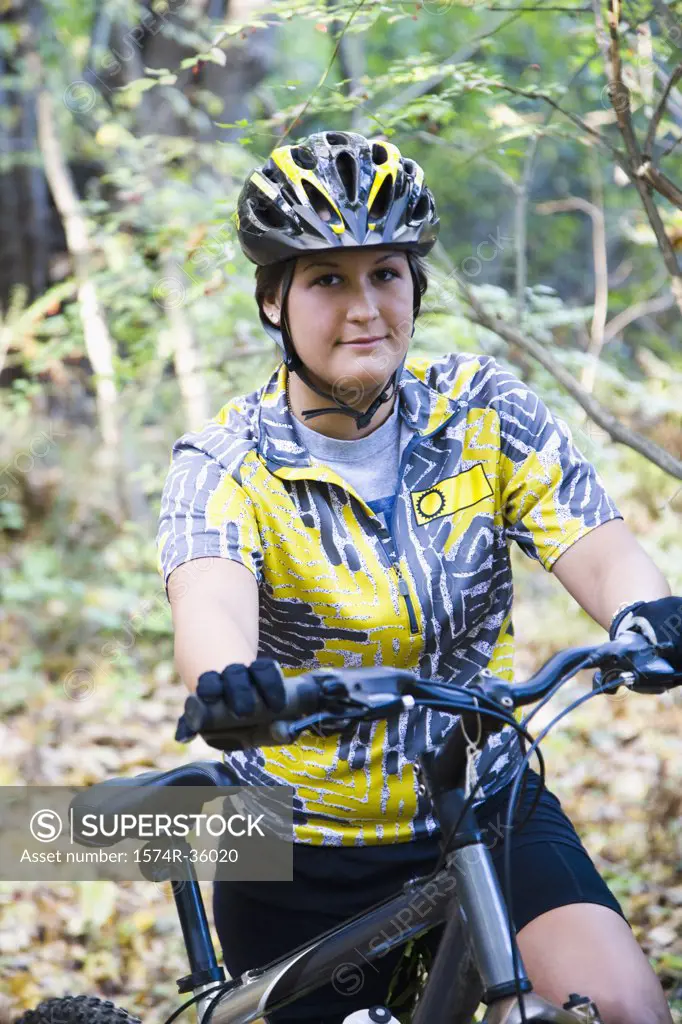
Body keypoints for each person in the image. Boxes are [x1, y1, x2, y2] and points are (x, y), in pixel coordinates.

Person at [157, 130, 681, 1024]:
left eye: (386, 274)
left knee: (627, 1009)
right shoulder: (224, 461)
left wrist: (650, 610)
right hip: (293, 840)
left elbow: (596, 546)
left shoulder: (484, 411)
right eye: (328, 279)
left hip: (483, 796)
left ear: (416, 286)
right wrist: (231, 684)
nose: (364, 307)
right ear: (274, 301)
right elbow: (209, 598)